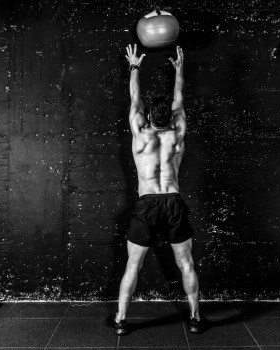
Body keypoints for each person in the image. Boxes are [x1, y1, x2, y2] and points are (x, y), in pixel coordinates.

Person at [106, 44, 203, 335]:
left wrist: (134, 66)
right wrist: (179, 68)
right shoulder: (178, 134)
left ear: (149, 116)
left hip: (147, 203)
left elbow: (135, 98)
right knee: (186, 263)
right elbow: (180, 98)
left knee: (132, 266)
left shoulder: (140, 132)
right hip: (173, 201)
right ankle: (196, 318)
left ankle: (121, 321)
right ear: (171, 118)